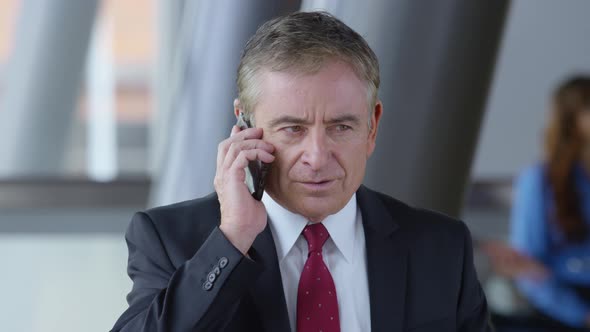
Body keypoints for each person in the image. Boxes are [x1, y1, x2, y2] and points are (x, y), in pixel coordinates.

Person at [111, 11, 492, 332]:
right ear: (245, 128)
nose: (317, 156)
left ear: (372, 127)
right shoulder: (171, 240)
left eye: (340, 127)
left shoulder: (441, 248)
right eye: (293, 129)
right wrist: (232, 239)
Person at [511, 76, 590, 331]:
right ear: (572, 120)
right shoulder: (539, 181)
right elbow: (527, 267)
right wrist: (581, 315)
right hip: (564, 311)